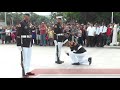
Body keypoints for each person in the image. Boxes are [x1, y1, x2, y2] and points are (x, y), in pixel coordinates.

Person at [16, 13, 35, 78]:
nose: (28, 17)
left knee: (29, 57)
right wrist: (18, 44)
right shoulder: (21, 23)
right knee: (24, 58)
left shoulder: (29, 23)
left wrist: (32, 26)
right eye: (27, 16)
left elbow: (32, 30)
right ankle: (24, 72)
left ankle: (27, 70)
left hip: (29, 42)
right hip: (24, 42)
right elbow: (18, 34)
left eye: (29, 16)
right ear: (24, 16)